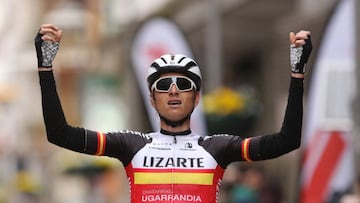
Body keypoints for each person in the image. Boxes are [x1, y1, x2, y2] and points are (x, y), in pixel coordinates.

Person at [35, 24, 312, 203]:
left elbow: (287, 140)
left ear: (197, 97)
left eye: (184, 85)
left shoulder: (217, 147)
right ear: (153, 100)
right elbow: (60, 134)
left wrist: (297, 75)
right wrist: (46, 70)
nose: (174, 91)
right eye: (164, 85)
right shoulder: (132, 145)